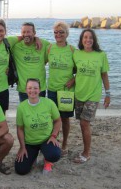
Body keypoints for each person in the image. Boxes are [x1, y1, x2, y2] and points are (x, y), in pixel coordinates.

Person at [73, 28, 110, 163]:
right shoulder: (76, 54)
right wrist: (72, 79)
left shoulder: (101, 55)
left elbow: (104, 75)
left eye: (90, 37)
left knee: (84, 123)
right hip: (79, 93)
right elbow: (75, 71)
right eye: (85, 37)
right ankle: (85, 149)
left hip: (93, 95)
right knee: (82, 124)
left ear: (94, 40)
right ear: (81, 40)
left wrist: (108, 94)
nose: (88, 40)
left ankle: (86, 153)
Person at [15, 78, 61, 175]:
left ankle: (48, 161)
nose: (32, 91)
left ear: (39, 90)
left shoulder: (49, 103)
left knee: (54, 155)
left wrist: (53, 136)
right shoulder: (21, 107)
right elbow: (20, 129)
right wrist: (22, 147)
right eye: (30, 88)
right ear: (26, 90)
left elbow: (57, 121)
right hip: (30, 142)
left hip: (46, 140)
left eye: (35, 88)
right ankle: (33, 156)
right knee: (21, 170)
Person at [46, 21, 75, 157]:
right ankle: (54, 140)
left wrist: (73, 80)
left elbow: (79, 69)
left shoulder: (72, 50)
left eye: (61, 32)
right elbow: (40, 61)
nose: (58, 35)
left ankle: (64, 144)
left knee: (64, 119)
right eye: (56, 32)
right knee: (53, 118)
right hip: (51, 88)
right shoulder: (50, 48)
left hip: (66, 91)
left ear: (66, 34)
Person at [8, 22, 49, 102]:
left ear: (34, 33)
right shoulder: (16, 46)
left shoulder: (43, 44)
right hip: (24, 89)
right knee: (25, 113)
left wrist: (37, 39)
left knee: (40, 113)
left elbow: (56, 51)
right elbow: (2, 42)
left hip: (40, 88)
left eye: (28, 32)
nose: (26, 34)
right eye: (24, 32)